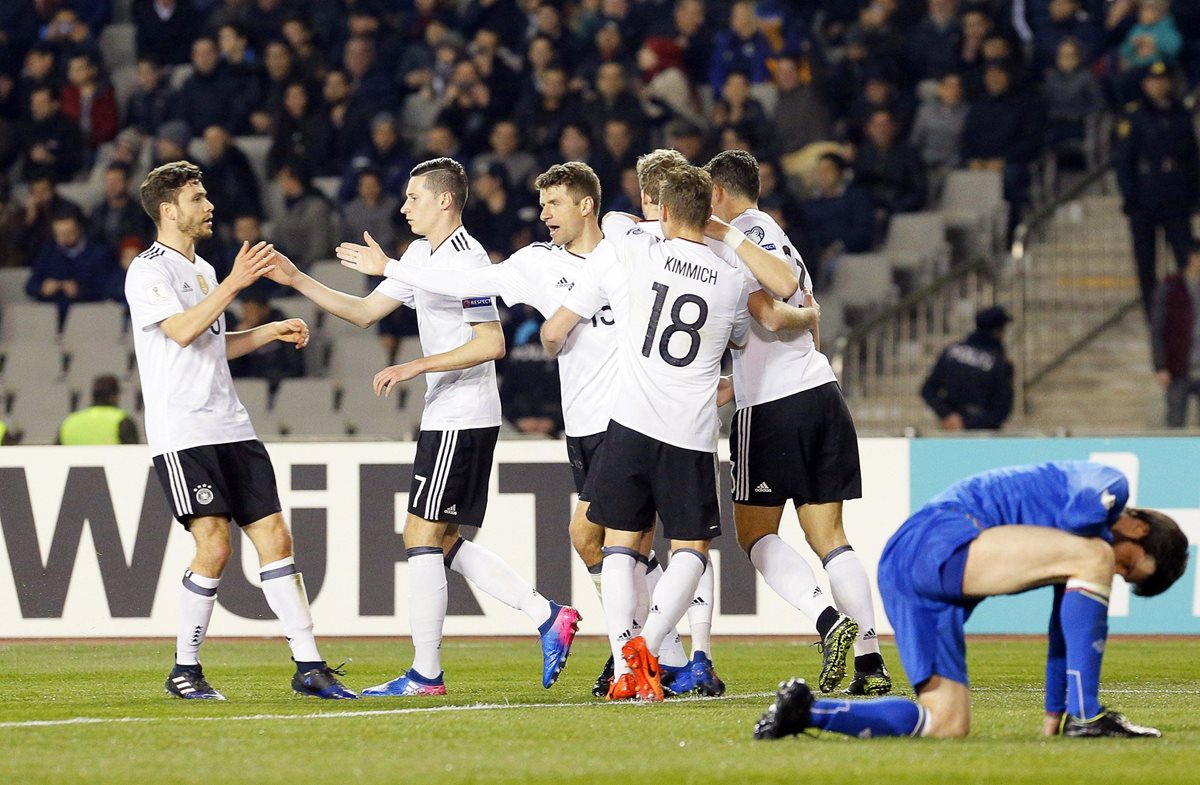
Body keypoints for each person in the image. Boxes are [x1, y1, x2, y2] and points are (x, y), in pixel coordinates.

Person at [272, 157, 581, 695]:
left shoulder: (469, 261)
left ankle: (426, 673)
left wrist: (417, 364)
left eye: (413, 197)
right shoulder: (419, 256)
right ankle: (545, 614)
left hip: (464, 415)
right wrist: (297, 278)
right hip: (449, 413)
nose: (403, 206)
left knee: (420, 536)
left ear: (444, 200)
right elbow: (367, 312)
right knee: (439, 542)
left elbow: (492, 343)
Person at [124, 160, 356, 702]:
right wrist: (235, 282)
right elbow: (181, 331)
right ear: (168, 210)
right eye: (197, 198)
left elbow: (212, 344)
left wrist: (267, 331)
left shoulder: (204, 271)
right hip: (183, 431)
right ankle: (185, 669)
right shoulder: (148, 271)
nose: (208, 207)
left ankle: (309, 667)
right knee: (216, 546)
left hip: (230, 424)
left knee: (275, 538)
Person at [753, 461, 1189, 740]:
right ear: (1139, 529)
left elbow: (1063, 632)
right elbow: (1080, 521)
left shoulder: (1076, 555)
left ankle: (806, 712)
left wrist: (1053, 714)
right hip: (938, 537)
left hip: (904, 568)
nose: (1117, 572)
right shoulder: (1111, 486)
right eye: (1129, 566)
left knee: (945, 724)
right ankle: (1089, 717)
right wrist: (1082, 717)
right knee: (1094, 553)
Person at [539, 165, 757, 703]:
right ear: (708, 213)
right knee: (691, 548)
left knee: (619, 544)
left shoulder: (638, 250)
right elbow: (740, 339)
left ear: (659, 210)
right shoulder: (730, 278)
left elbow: (613, 219)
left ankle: (623, 659)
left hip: (630, 422)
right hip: (689, 431)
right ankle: (652, 645)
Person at [706, 149, 891, 696]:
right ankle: (871, 664)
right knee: (831, 538)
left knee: (755, 533)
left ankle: (826, 619)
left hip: (771, 410)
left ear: (718, 192)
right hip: (820, 394)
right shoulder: (778, 234)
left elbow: (770, 310)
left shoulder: (737, 238)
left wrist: (798, 317)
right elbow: (796, 329)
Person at [1115, 61, 1199, 318]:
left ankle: (1190, 309)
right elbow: (1124, 161)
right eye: (1154, 80)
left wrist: (1195, 195)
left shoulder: (1180, 114)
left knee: (1186, 257)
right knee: (1146, 263)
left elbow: (1192, 158)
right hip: (1145, 197)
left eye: (1163, 80)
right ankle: (1153, 314)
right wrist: (1130, 198)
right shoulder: (1135, 116)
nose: (1159, 85)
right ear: (1145, 84)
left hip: (1177, 198)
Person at [920, 305, 1014, 431]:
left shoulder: (952, 352)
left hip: (950, 430)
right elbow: (1001, 411)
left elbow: (928, 390)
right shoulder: (999, 363)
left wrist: (947, 415)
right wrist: (967, 423)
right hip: (983, 434)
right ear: (997, 331)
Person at [1151, 242, 1200, 427]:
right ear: (1193, 258)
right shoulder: (1171, 286)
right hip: (1179, 367)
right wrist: (1161, 366)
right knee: (1175, 425)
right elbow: (1158, 328)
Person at [57, 374, 139, 445]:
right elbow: (133, 456)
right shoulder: (122, 421)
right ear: (113, 397)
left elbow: (52, 454)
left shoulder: (70, 422)